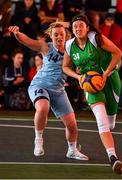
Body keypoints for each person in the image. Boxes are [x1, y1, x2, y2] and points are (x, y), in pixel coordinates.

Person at [8, 22, 88, 160]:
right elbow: (27, 41)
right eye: (55, 34)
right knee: (43, 107)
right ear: (51, 36)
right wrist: (17, 33)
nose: (59, 37)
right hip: (40, 85)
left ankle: (72, 150)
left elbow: (79, 67)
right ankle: (38, 140)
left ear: (66, 36)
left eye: (61, 34)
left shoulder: (72, 51)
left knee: (72, 125)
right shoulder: (46, 47)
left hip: (58, 90)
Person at [63, 14, 122, 173]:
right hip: (90, 85)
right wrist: (79, 77)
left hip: (109, 80)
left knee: (110, 124)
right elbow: (65, 67)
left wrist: (104, 74)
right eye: (75, 26)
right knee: (102, 122)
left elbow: (118, 53)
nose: (78, 29)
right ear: (72, 28)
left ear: (87, 27)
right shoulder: (69, 45)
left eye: (81, 25)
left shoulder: (96, 38)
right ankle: (113, 157)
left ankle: (109, 146)